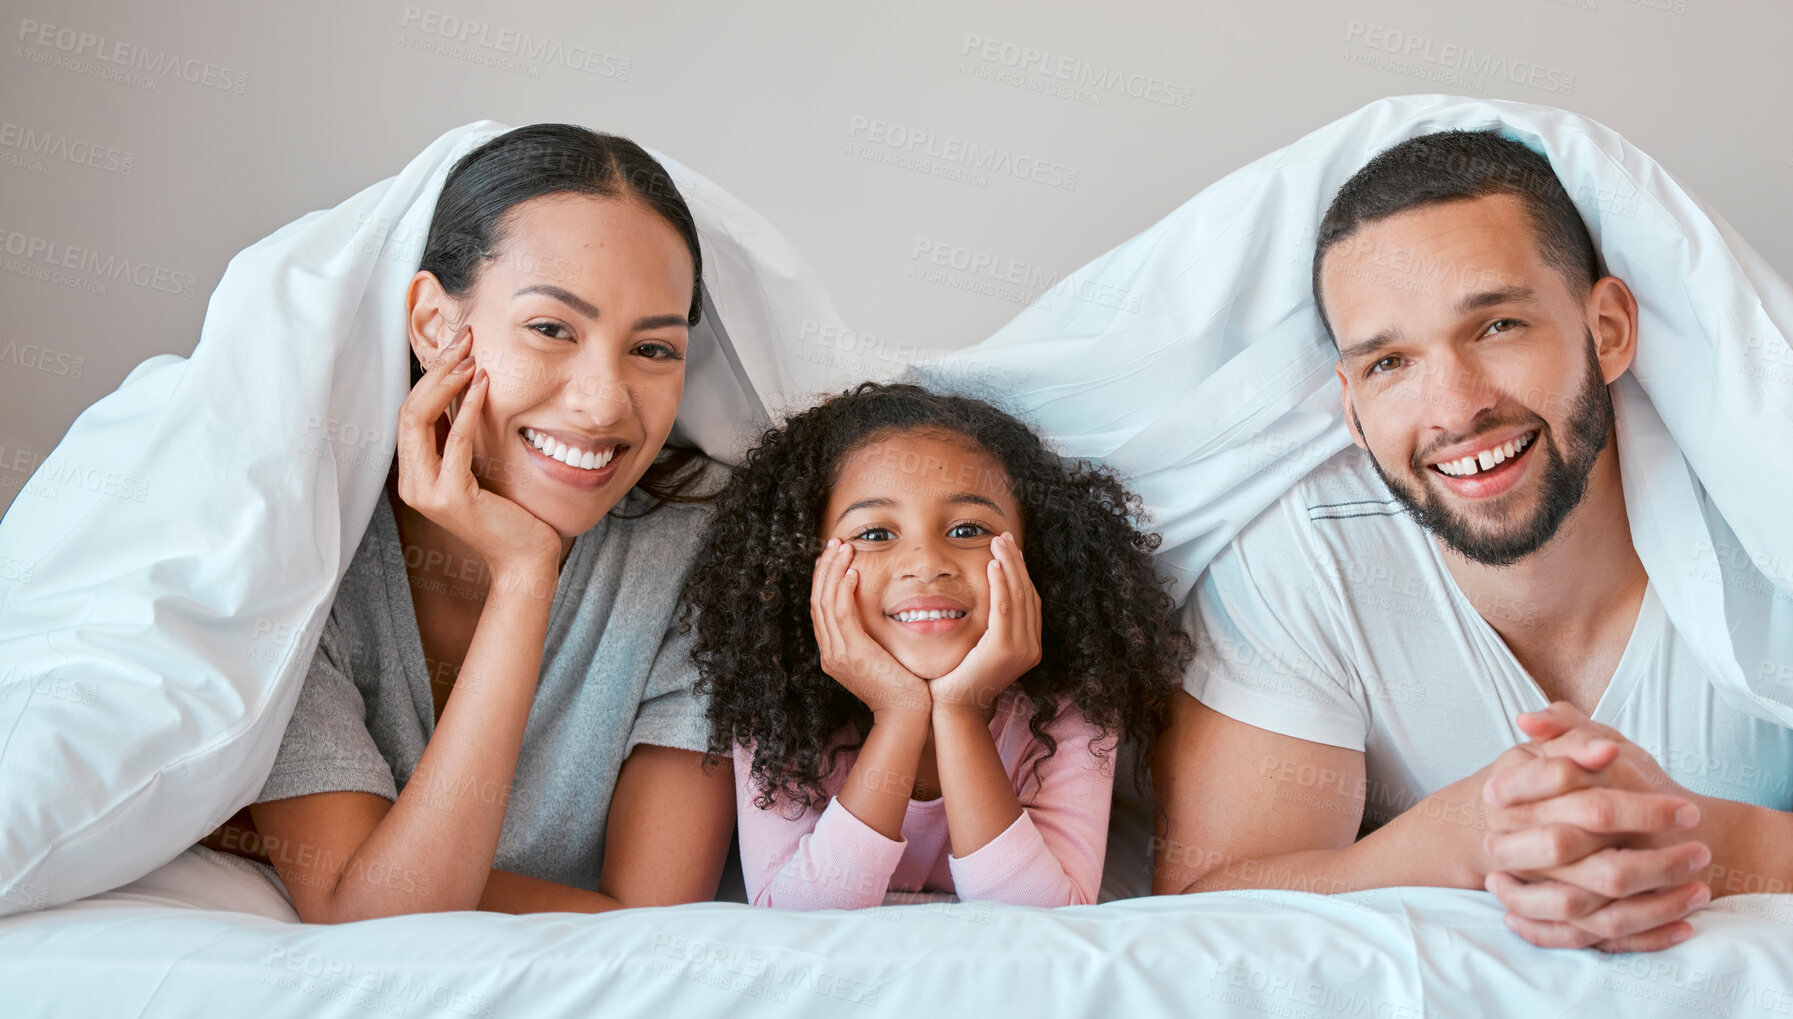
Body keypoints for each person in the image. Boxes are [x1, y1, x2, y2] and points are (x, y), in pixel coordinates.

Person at [1152, 129, 1793, 952]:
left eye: (1497, 324)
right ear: (1350, 405)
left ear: (1606, 329)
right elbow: (1202, 903)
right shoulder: (1306, 558)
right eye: (1390, 362)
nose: (1454, 407)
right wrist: (1455, 842)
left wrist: (1715, 847)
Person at [201, 124, 735, 922]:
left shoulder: (698, 549)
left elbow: (651, 925)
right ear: (433, 326)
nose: (605, 402)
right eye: (552, 329)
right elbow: (369, 919)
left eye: (653, 349)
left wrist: (527, 571)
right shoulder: (301, 545)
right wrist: (525, 577)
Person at [681, 382, 1192, 908]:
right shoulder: (775, 700)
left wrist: (961, 713)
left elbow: (1045, 920)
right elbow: (795, 919)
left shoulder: (1072, 704)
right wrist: (899, 714)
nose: (927, 563)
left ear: (1036, 557)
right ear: (803, 565)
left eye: (968, 528)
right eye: (876, 534)